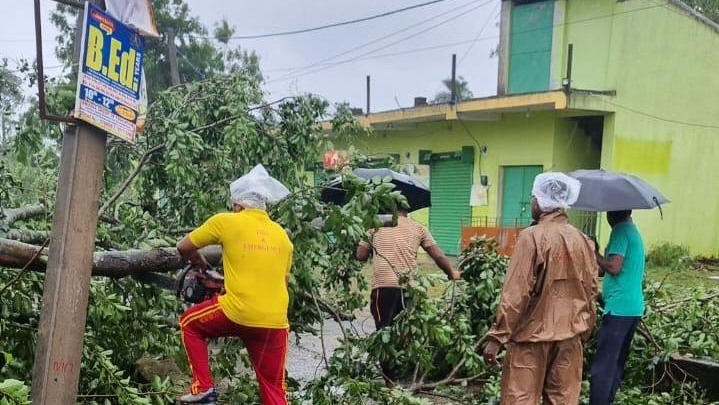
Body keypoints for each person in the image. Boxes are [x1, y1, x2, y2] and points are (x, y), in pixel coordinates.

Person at [176, 165, 293, 405]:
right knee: (274, 390)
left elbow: (184, 247)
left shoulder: (226, 221)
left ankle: (204, 388)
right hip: (276, 321)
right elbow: (280, 281)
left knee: (189, 323)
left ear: (238, 205)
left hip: (238, 311)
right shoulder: (282, 235)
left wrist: (200, 263)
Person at [482, 172, 599, 405]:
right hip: (570, 337)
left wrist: (498, 337)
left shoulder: (531, 237)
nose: (532, 203)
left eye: (533, 197)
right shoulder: (584, 241)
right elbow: (592, 289)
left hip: (531, 338)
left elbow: (516, 292)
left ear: (542, 201)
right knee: (563, 400)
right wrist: (584, 331)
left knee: (519, 399)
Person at [355, 209, 460, 384]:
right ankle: (405, 373)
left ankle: (390, 381)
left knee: (384, 333)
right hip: (410, 289)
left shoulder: (373, 225)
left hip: (384, 289)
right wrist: (451, 273)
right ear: (407, 208)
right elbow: (438, 255)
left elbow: (360, 256)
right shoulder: (418, 228)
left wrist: (367, 242)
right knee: (406, 331)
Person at [590, 210, 645, 405]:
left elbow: (614, 266)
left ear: (613, 215)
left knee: (603, 366)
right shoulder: (633, 232)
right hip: (632, 308)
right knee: (615, 363)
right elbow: (613, 271)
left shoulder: (620, 231)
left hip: (620, 310)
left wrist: (594, 253)